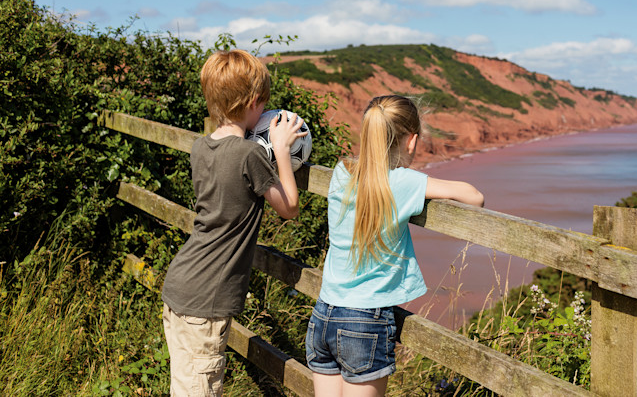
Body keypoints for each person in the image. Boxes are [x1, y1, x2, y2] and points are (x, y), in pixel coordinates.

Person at [305, 94, 484, 397]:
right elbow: (474, 197)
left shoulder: (342, 172)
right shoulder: (403, 183)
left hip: (324, 314)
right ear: (411, 141)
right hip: (364, 323)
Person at [161, 49, 307, 396]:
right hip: (206, 301)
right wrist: (281, 150)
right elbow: (289, 207)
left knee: (184, 383)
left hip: (181, 285)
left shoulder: (200, 147)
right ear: (255, 101)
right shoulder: (250, 154)